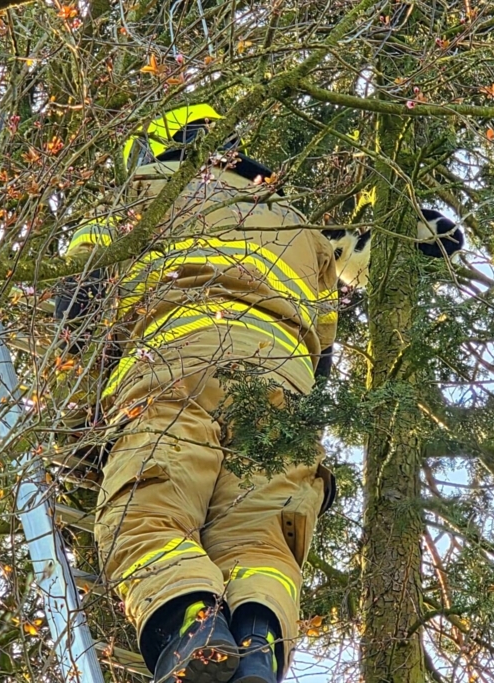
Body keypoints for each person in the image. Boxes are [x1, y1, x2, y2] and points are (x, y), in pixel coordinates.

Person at [56, 103, 339, 683]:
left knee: (147, 513)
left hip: (178, 363)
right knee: (262, 538)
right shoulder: (301, 229)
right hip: (283, 387)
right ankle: (257, 648)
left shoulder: (146, 190)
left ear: (157, 146)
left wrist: (80, 420)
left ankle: (195, 628)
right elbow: (326, 351)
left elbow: (79, 298)